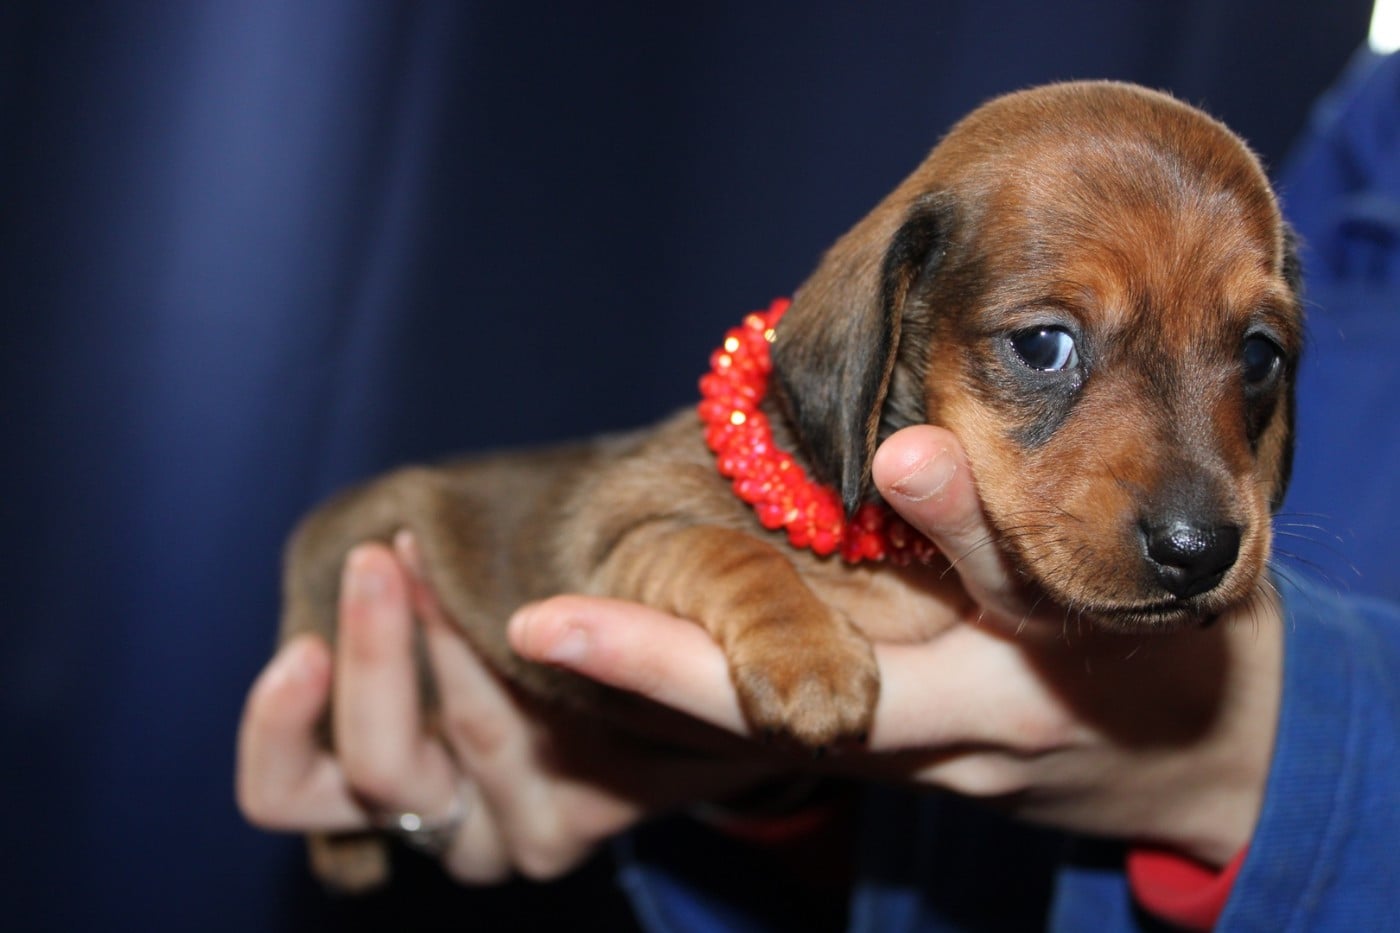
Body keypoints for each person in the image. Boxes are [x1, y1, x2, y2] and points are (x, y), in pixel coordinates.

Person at [238, 52, 1400, 931]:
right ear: (890, 322)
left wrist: (1249, 746)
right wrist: (759, 793)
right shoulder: (1354, 148)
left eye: (1250, 354)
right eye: (1043, 346)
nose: (1196, 509)